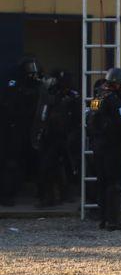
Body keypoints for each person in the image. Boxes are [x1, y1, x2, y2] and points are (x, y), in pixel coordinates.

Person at [87, 68, 121, 230]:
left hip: (97, 147)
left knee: (102, 182)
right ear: (118, 83)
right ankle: (113, 220)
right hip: (111, 147)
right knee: (114, 183)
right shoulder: (114, 100)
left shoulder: (97, 98)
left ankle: (103, 219)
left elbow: (90, 121)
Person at [32, 70, 81, 207]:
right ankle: (52, 196)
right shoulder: (52, 95)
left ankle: (61, 195)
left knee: (65, 167)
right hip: (51, 137)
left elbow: (77, 117)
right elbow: (43, 115)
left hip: (65, 137)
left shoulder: (72, 96)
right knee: (50, 168)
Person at [0, 58, 43, 206]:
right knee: (11, 163)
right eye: (30, 73)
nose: (33, 76)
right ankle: (7, 194)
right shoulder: (15, 86)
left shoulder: (38, 87)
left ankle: (45, 194)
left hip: (33, 129)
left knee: (41, 162)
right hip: (15, 130)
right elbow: (12, 107)